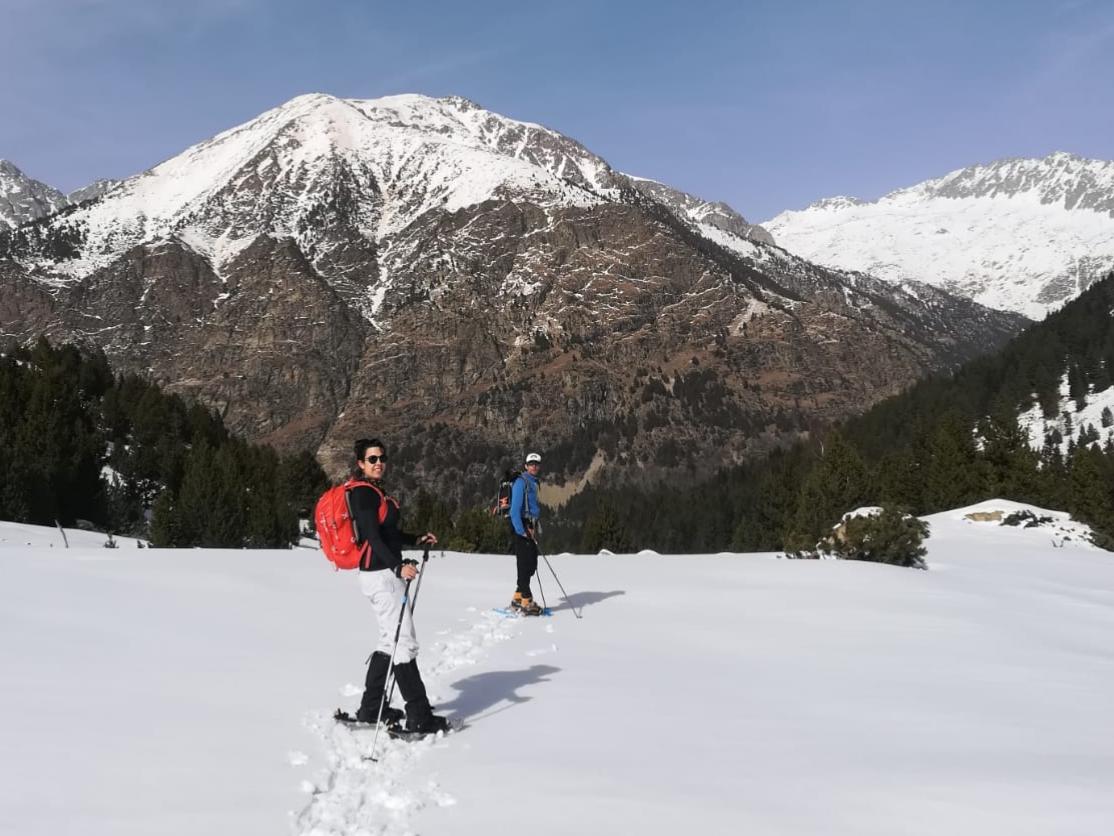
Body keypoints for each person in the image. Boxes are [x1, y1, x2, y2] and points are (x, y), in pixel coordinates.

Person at [348, 437, 448, 734]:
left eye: (382, 458)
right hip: (381, 576)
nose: (379, 463)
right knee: (404, 643)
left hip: (381, 575)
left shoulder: (375, 492)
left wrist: (416, 538)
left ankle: (371, 709)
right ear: (360, 464)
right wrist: (396, 566)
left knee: (387, 641)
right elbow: (373, 538)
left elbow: (388, 534)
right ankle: (419, 716)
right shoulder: (364, 494)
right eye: (372, 459)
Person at [508, 451, 544, 615]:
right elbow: (514, 510)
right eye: (531, 464)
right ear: (526, 466)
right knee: (525, 564)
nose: (534, 466)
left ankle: (517, 597)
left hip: (530, 526)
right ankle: (526, 601)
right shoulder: (521, 483)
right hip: (523, 527)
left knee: (531, 564)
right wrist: (522, 531)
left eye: (536, 464)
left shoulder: (533, 482)